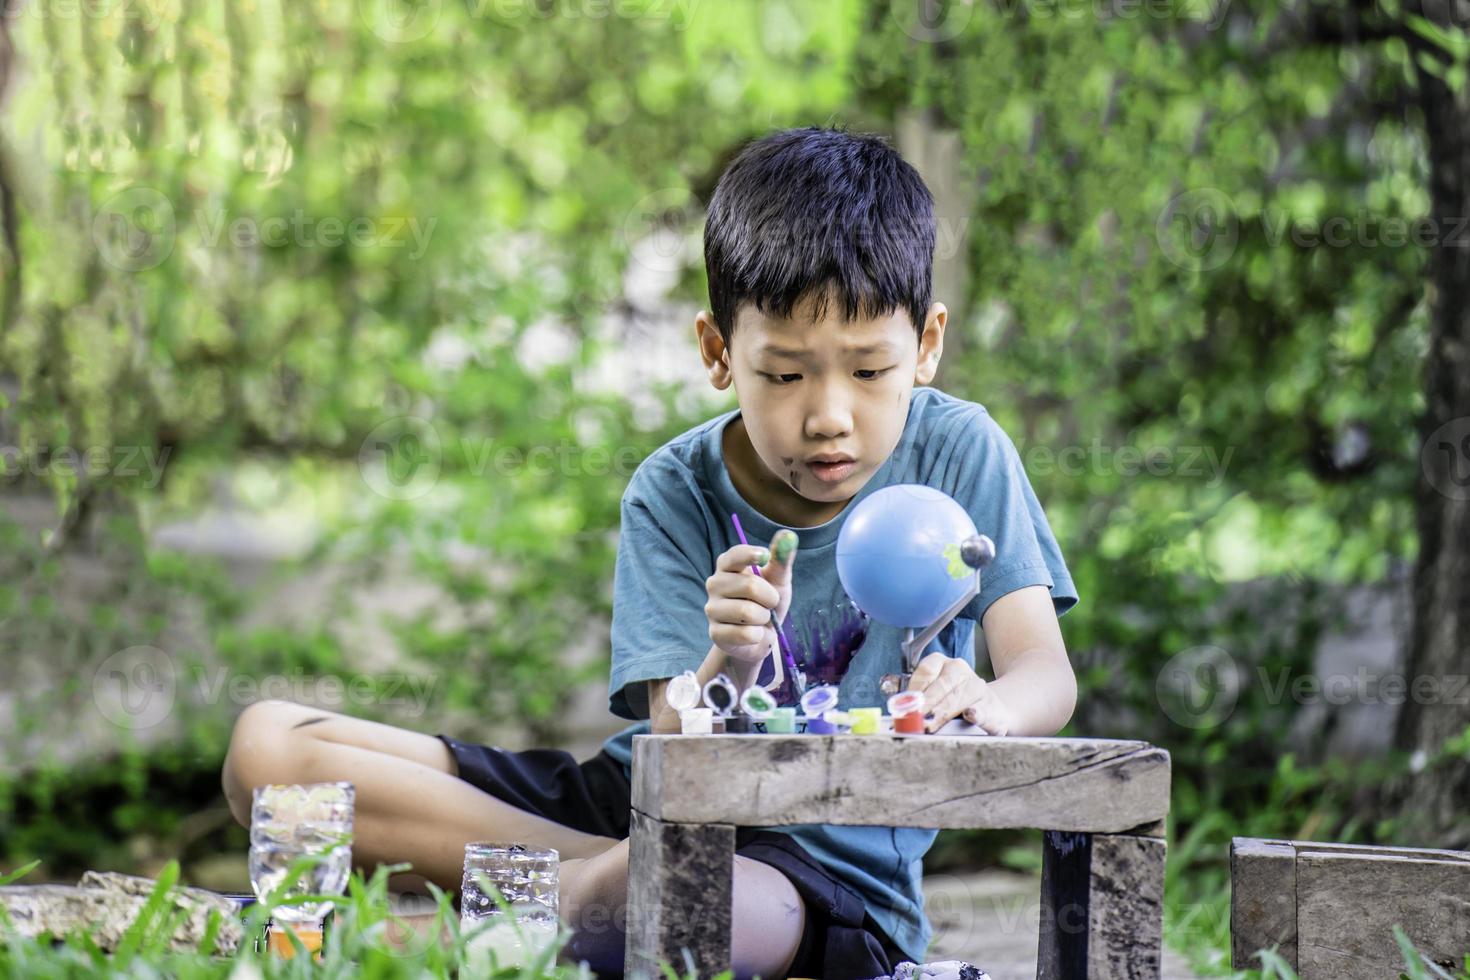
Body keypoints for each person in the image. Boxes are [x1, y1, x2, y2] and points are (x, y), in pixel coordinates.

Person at [221, 126, 1079, 979]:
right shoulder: (673, 488)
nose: (828, 415)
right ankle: (572, 896)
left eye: (868, 371)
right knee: (270, 753)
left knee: (679, 891)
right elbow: (673, 727)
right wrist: (730, 660)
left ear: (926, 345)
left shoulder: (961, 452)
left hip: (810, 881)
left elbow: (1046, 675)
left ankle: (350, 942)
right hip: (637, 802)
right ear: (717, 352)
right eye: (784, 374)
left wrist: (987, 702)